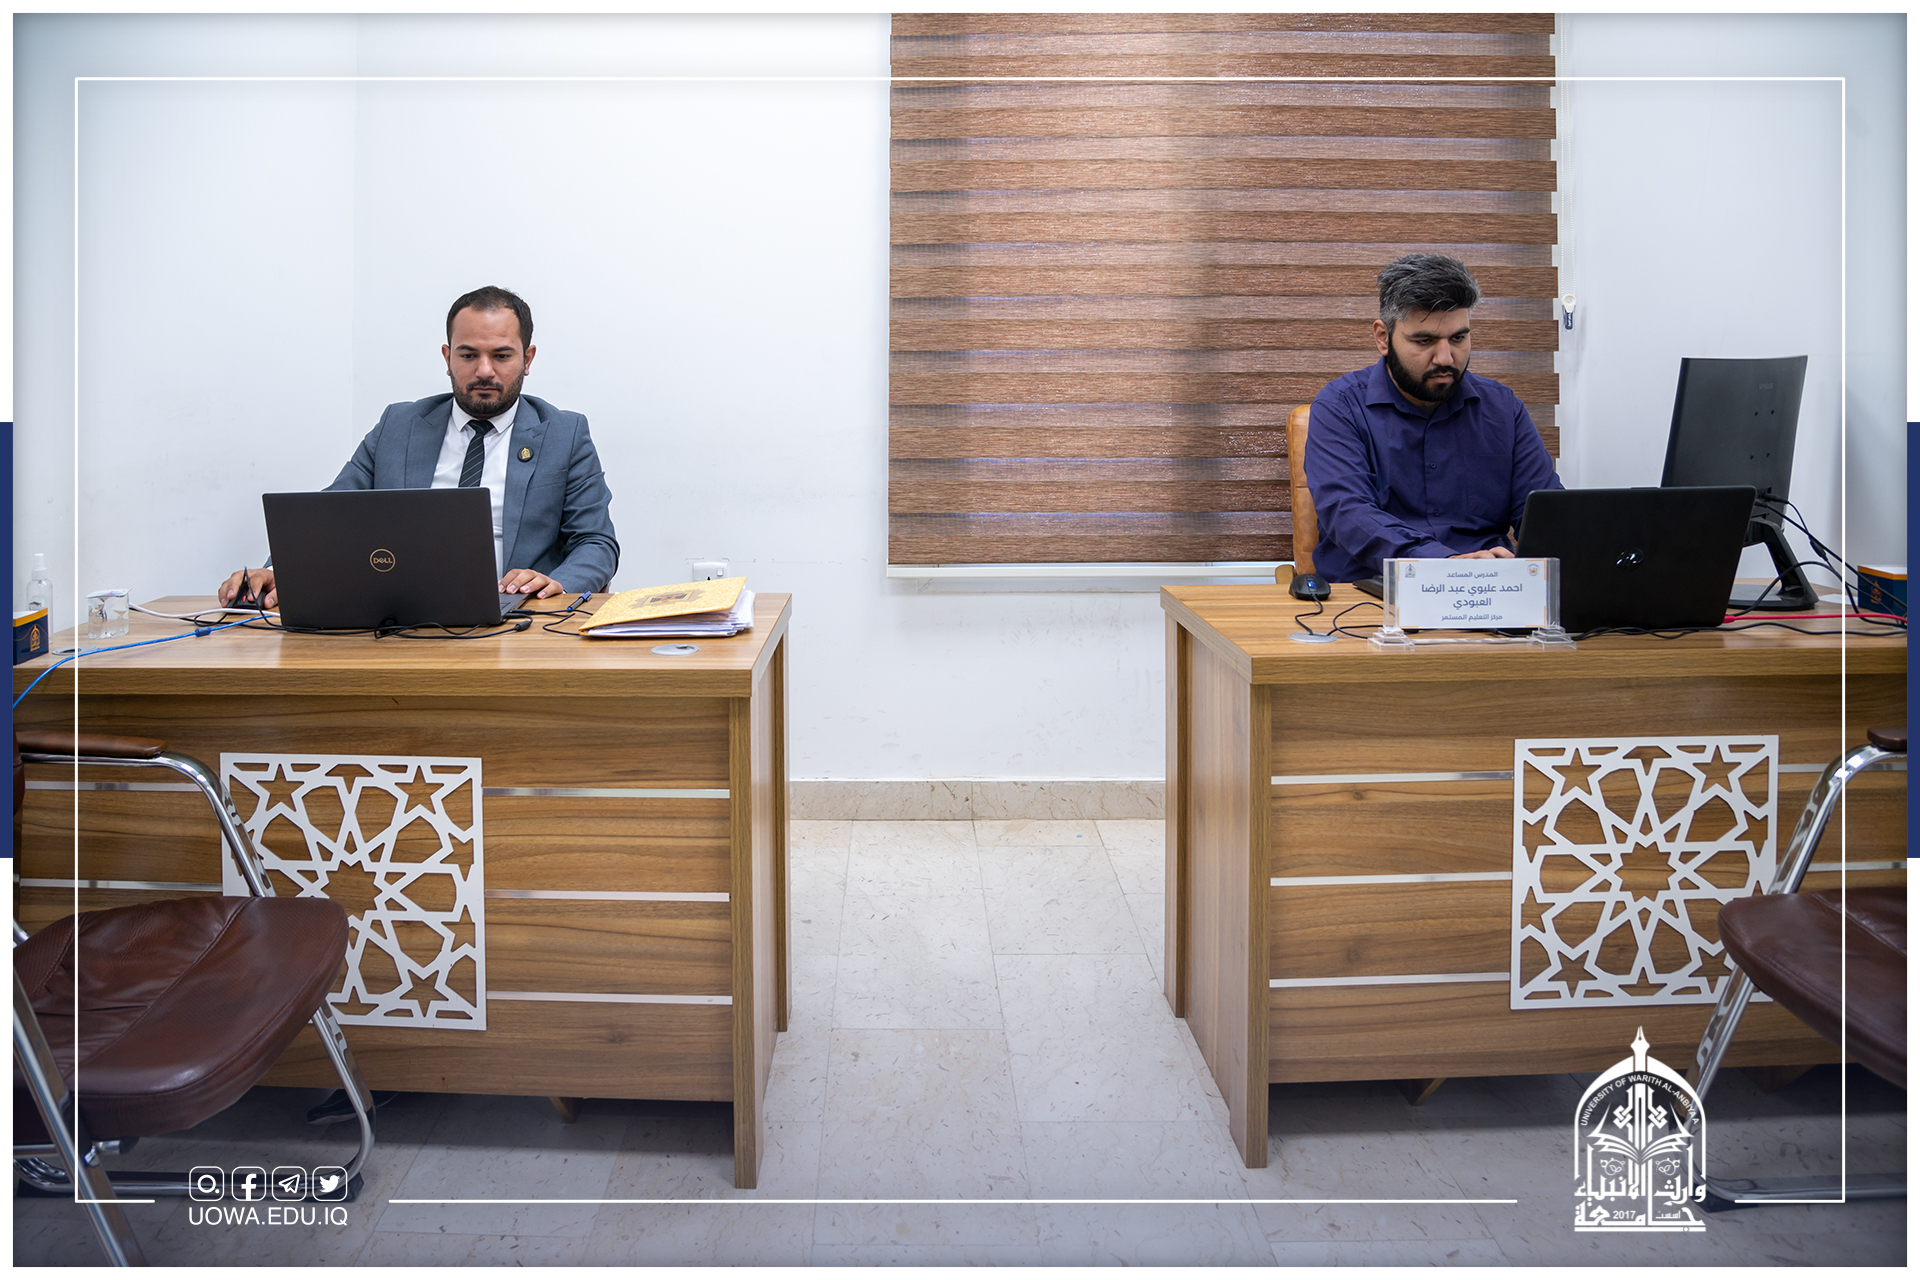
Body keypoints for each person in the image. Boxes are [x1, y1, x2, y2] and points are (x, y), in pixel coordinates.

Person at [219, 286, 618, 607]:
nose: (484, 370)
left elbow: (596, 542)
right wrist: (280, 571)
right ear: (447, 357)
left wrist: (556, 583)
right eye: (468, 354)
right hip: (402, 614)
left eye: (501, 355)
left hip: (517, 620)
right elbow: (331, 516)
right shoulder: (399, 426)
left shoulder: (564, 434)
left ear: (527, 359)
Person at [1301, 252, 1562, 582]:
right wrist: (1445, 563)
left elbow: (1545, 516)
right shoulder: (1340, 406)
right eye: (1425, 341)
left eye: (1458, 338)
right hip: (1371, 593)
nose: (1445, 358)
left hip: (1486, 590)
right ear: (1383, 337)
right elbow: (1349, 514)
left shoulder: (1502, 408)